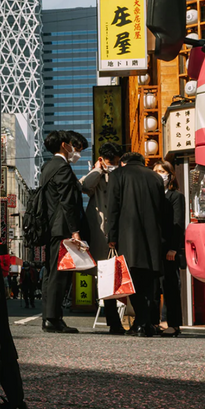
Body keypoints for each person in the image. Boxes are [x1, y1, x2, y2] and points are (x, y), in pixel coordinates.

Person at [107, 151, 165, 337]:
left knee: (131, 281)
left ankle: (140, 323)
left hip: (127, 237)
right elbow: (161, 209)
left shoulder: (117, 175)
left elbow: (113, 208)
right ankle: (145, 323)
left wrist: (112, 237)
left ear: (123, 162)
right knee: (148, 282)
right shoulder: (155, 177)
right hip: (152, 238)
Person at [39, 130, 87, 333]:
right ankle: (53, 319)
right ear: (64, 145)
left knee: (51, 273)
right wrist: (75, 232)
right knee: (60, 274)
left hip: (51, 226)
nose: (75, 151)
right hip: (62, 228)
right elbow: (68, 202)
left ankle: (49, 317)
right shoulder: (63, 169)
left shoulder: (48, 167)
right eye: (73, 147)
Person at [80, 142, 126, 335]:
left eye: (115, 161)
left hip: (121, 231)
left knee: (124, 273)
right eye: (109, 162)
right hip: (100, 232)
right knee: (106, 276)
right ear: (102, 160)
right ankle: (114, 321)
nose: (112, 165)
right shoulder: (98, 176)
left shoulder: (123, 175)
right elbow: (83, 186)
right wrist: (98, 170)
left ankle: (129, 316)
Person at [153, 160, 185, 337]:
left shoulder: (175, 196)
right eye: (156, 171)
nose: (159, 174)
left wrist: (174, 248)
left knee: (171, 286)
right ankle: (154, 322)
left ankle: (174, 324)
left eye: (162, 171)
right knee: (155, 287)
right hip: (154, 247)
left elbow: (178, 223)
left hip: (169, 249)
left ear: (170, 175)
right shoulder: (152, 195)